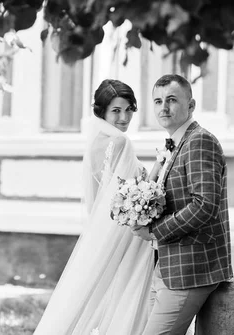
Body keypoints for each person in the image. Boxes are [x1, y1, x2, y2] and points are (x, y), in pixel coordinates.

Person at [33, 79, 155, 335]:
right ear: (102, 112)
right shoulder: (121, 142)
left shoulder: (95, 142)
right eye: (116, 110)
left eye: (129, 109)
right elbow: (128, 192)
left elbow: (101, 195)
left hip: (103, 230)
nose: (124, 117)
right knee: (124, 293)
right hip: (128, 234)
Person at [133, 74, 233, 335]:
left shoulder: (200, 141)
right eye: (158, 101)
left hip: (191, 269)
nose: (163, 108)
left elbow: (204, 205)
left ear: (191, 105)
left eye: (172, 100)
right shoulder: (175, 143)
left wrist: (154, 231)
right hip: (166, 265)